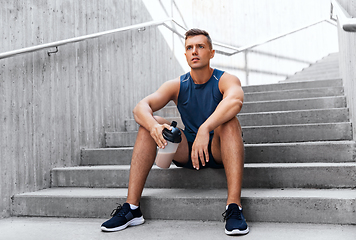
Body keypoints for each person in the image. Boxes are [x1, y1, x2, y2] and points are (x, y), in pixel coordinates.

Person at [101, 28, 249, 236]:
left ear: (211, 53)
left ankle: (234, 207)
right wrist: (154, 128)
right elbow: (140, 107)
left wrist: (205, 128)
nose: (194, 51)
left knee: (230, 123)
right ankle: (132, 208)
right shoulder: (178, 84)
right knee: (149, 123)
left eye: (200, 47)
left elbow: (236, 100)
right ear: (186, 54)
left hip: (219, 148)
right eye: (189, 48)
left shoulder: (225, 79)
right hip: (188, 150)